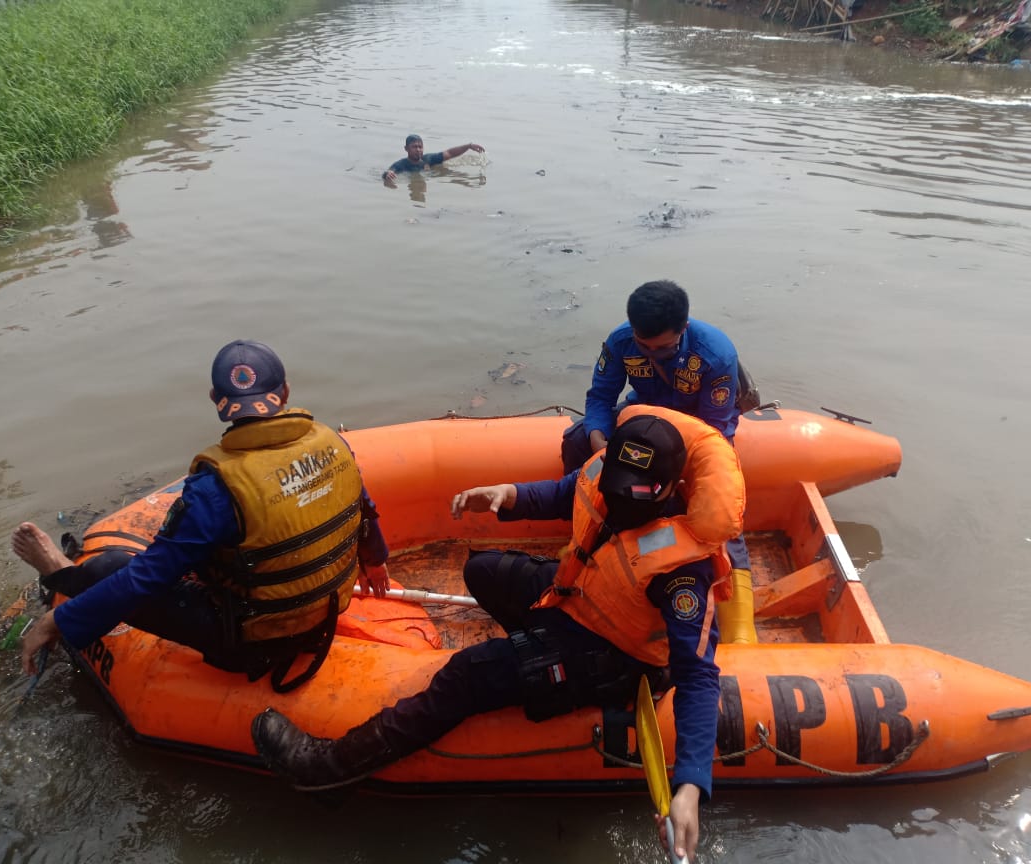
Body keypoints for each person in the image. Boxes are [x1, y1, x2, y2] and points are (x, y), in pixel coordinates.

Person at [251, 406, 745, 861]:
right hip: (577, 601)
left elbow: (698, 676)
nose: (618, 499)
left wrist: (690, 786)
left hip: (614, 657)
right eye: (615, 485)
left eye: (632, 494)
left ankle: (329, 773)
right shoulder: (605, 478)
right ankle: (532, 655)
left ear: (667, 489)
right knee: (484, 570)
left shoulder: (683, 571)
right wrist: (506, 496)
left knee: (468, 674)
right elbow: (565, 491)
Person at [14, 339, 391, 692]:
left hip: (251, 643)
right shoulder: (333, 444)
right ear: (286, 392)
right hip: (321, 621)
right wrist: (376, 560)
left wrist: (55, 622)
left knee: (109, 567)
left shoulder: (216, 488)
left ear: (216, 399)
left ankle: (60, 574)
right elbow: (366, 511)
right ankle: (64, 576)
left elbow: (147, 577)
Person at [561, 279, 755, 641]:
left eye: (663, 350)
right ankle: (583, 535)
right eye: (643, 347)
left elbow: (713, 427)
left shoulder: (714, 354)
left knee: (719, 507)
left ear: (683, 329)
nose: (651, 355)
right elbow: (600, 397)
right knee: (574, 440)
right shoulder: (620, 342)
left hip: (698, 431)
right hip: (645, 419)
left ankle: (739, 622)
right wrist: (598, 437)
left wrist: (671, 466)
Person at [381, 134, 484, 183]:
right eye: (414, 147)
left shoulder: (428, 159)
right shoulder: (401, 165)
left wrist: (468, 146)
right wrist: (387, 174)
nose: (418, 150)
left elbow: (449, 153)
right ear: (406, 149)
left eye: (420, 147)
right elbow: (389, 171)